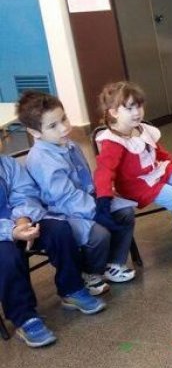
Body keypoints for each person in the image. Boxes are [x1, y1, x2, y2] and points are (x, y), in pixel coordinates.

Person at [17, 91, 136, 296]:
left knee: (125, 212)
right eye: (53, 126)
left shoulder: (69, 144)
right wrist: (97, 211)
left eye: (63, 118)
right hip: (61, 212)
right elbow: (65, 198)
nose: (64, 127)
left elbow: (86, 181)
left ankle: (113, 263)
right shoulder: (42, 159)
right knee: (98, 234)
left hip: (83, 200)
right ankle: (90, 273)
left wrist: (103, 197)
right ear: (35, 132)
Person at [0, 133, 106, 348]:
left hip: (21, 221)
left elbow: (25, 193)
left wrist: (23, 220)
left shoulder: (7, 164)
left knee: (60, 230)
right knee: (8, 259)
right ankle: (24, 317)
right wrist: (12, 231)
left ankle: (71, 288)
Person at [94, 81, 172, 264]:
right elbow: (104, 172)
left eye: (139, 106)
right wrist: (103, 199)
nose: (137, 112)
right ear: (114, 112)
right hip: (137, 184)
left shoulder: (140, 128)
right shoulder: (113, 141)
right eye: (129, 108)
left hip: (157, 170)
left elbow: (158, 151)